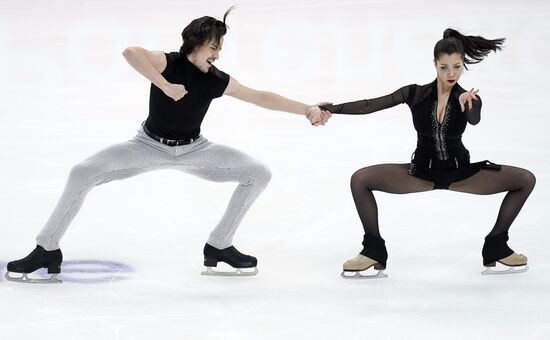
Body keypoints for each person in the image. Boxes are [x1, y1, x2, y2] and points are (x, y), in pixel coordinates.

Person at [5, 8, 330, 283]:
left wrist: (306, 109)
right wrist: (163, 84)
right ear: (197, 43)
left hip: (196, 150)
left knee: (258, 173)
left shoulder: (216, 79)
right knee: (82, 172)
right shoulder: (168, 63)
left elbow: (260, 96)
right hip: (146, 146)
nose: (217, 54)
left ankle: (219, 245)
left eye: (219, 48)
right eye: (213, 47)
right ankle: (47, 248)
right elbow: (131, 52)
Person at [307, 28, 536, 278]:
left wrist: (467, 107)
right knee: (360, 179)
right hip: (421, 173)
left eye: (457, 67)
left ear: (463, 66)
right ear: (435, 64)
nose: (451, 73)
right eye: (445, 67)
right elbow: (371, 105)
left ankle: (496, 246)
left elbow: (475, 119)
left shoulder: (468, 98)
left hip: (461, 173)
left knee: (525, 179)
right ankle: (373, 252)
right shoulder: (414, 94)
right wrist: (334, 109)